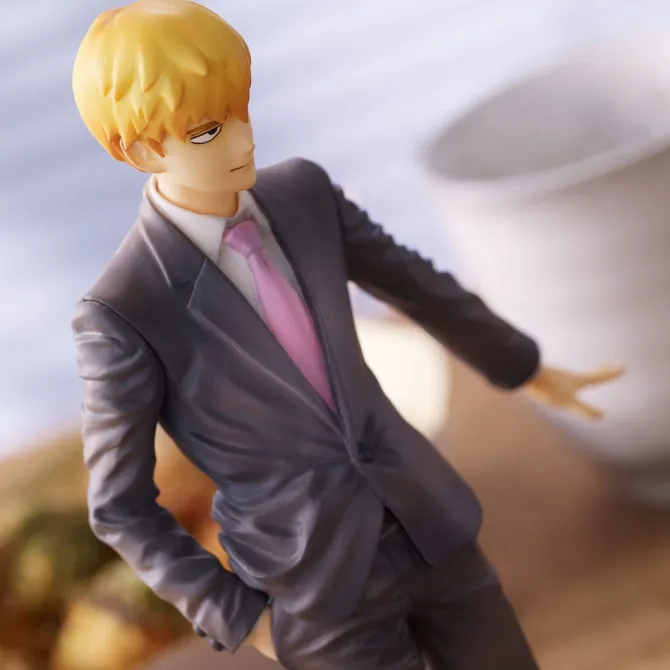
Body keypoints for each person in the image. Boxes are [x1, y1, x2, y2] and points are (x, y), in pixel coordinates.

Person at [71, 1, 622, 668]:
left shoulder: (303, 195)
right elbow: (120, 507)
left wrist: (524, 366)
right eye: (208, 131)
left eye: (241, 110)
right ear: (139, 150)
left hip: (428, 523)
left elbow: (414, 283)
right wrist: (241, 618)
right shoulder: (125, 309)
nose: (243, 141)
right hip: (314, 588)